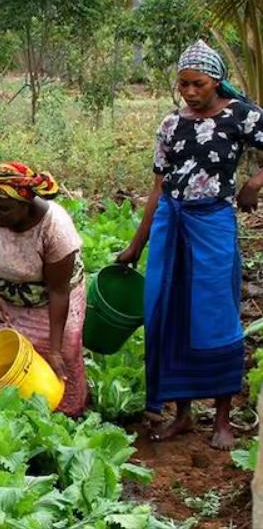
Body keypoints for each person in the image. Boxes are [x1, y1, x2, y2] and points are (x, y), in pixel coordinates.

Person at [117, 39, 262, 450]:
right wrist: (136, 245)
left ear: (216, 81)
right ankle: (182, 414)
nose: (190, 93)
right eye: (183, 85)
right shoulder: (170, 125)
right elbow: (159, 187)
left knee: (215, 315)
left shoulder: (241, 115)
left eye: (197, 84)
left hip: (213, 223)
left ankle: (222, 418)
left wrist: (254, 183)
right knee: (168, 312)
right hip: (171, 223)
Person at [0, 162, 88, 417]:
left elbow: (59, 292)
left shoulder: (55, 228)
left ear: (25, 203)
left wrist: (56, 349)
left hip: (52, 298)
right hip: (4, 297)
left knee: (61, 356)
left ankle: (69, 415)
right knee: (6, 355)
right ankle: (11, 415)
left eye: (4, 208)